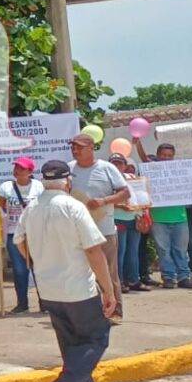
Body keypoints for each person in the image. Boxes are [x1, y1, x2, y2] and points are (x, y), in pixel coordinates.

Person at [14, 160, 115, 382]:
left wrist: (38, 263)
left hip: (48, 288)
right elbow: (93, 250)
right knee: (96, 338)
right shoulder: (73, 206)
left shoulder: (32, 207)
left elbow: (20, 241)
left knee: (72, 344)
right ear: (68, 181)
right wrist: (108, 289)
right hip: (78, 287)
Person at [71, 132, 131, 315]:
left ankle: (114, 312)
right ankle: (90, 314)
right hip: (76, 232)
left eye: (79, 147)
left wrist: (104, 201)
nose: (75, 150)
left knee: (108, 272)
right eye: (73, 147)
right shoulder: (69, 169)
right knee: (81, 273)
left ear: (91, 148)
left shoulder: (107, 168)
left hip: (103, 230)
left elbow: (125, 193)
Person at [134, 140, 192, 289]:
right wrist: (138, 143)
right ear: (158, 155)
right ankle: (168, 277)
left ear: (173, 156)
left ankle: (184, 277)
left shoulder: (180, 170)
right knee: (163, 250)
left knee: (181, 250)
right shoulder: (152, 170)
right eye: (163, 155)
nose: (166, 158)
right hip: (159, 218)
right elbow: (144, 158)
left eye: (169, 155)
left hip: (180, 217)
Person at [0, 157, 42, 313]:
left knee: (39, 270)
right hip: (14, 234)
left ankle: (45, 303)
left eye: (21, 168)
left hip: (35, 234)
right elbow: (0, 207)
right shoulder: (6, 187)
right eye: (16, 167)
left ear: (30, 172)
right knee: (19, 270)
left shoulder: (39, 187)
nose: (17, 170)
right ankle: (22, 304)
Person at [109, 155, 151, 295]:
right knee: (119, 252)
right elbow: (105, 200)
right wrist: (121, 206)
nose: (117, 166)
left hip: (134, 218)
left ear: (125, 165)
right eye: (114, 163)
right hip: (117, 219)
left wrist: (143, 211)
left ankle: (133, 280)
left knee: (133, 251)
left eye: (120, 163)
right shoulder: (107, 179)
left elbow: (141, 195)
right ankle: (119, 282)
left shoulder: (132, 178)